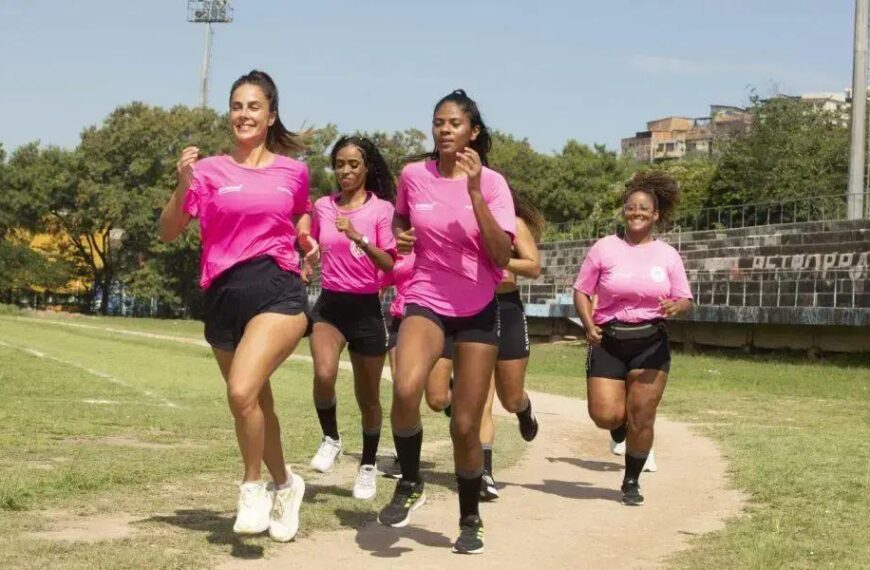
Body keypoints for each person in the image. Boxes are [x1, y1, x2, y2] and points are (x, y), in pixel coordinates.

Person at [158, 70, 315, 541]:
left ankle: (252, 489)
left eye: (253, 107)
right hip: (223, 295)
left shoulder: (293, 170)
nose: (243, 115)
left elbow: (300, 208)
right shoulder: (206, 172)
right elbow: (167, 232)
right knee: (255, 401)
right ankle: (287, 485)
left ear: (270, 115)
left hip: (278, 289)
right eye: (236, 106)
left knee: (242, 392)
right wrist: (184, 184)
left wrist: (304, 236)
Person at [377, 89, 515, 556]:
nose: (444, 129)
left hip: (477, 308)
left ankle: (470, 518)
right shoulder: (414, 175)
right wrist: (399, 232)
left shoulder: (493, 184)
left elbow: (501, 255)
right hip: (426, 297)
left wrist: (474, 193)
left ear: (473, 131)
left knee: (463, 426)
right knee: (404, 387)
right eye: (438, 122)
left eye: (454, 123)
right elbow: (400, 218)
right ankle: (411, 481)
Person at [573, 171, 692, 506]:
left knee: (643, 416)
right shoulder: (604, 248)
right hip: (608, 340)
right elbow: (581, 291)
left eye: (644, 208)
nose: (636, 212)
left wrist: (676, 306)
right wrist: (587, 323)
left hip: (651, 341)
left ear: (655, 215)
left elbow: (686, 298)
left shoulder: (668, 255)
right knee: (605, 416)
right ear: (624, 212)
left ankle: (631, 480)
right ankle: (618, 428)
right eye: (631, 207)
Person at [307, 136, 397, 502]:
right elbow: (311, 244)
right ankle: (331, 438)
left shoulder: (382, 210)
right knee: (324, 373)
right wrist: (306, 258)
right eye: (339, 164)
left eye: (353, 165)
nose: (345, 171)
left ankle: (368, 466)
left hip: (365, 310)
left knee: (368, 398)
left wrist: (358, 236)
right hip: (330, 306)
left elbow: (390, 263)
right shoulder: (323, 206)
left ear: (367, 168)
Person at [478, 188, 544, 501]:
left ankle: (524, 409)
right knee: (481, 401)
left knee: (510, 397)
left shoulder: (514, 224)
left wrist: (503, 260)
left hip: (507, 309)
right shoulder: (464, 222)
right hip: (474, 310)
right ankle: (484, 472)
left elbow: (533, 266)